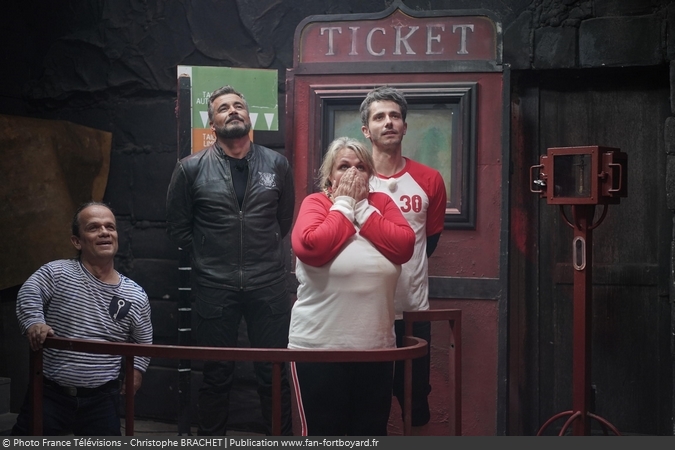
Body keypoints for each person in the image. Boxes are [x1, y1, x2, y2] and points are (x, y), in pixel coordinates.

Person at [166, 85, 295, 436]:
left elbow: (283, 221)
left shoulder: (277, 164)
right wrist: (211, 256)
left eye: (239, 105)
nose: (232, 111)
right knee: (216, 373)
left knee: (273, 372)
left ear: (249, 116)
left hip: (268, 284)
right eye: (223, 108)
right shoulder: (190, 169)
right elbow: (179, 229)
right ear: (212, 123)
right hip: (213, 286)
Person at [288, 137, 415, 436]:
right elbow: (311, 247)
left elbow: (403, 246)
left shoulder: (382, 204)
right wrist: (345, 204)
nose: (353, 173)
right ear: (330, 175)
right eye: (344, 166)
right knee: (325, 433)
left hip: (376, 348)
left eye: (361, 167)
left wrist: (364, 209)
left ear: (371, 175)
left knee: (371, 432)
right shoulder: (316, 203)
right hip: (319, 348)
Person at [11, 202, 153, 436]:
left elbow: (143, 339)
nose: (105, 232)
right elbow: (29, 293)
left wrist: (136, 370)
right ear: (77, 241)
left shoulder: (134, 294)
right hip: (50, 394)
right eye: (94, 227)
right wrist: (34, 322)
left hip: (102, 400)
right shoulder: (56, 273)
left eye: (110, 227)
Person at [360, 86, 447, 435]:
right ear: (366, 130)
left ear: (405, 126)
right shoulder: (354, 177)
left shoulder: (429, 180)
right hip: (364, 310)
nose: (388, 122)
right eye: (379, 117)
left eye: (395, 116)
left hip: (412, 309)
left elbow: (430, 241)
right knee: (370, 400)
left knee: (414, 399)